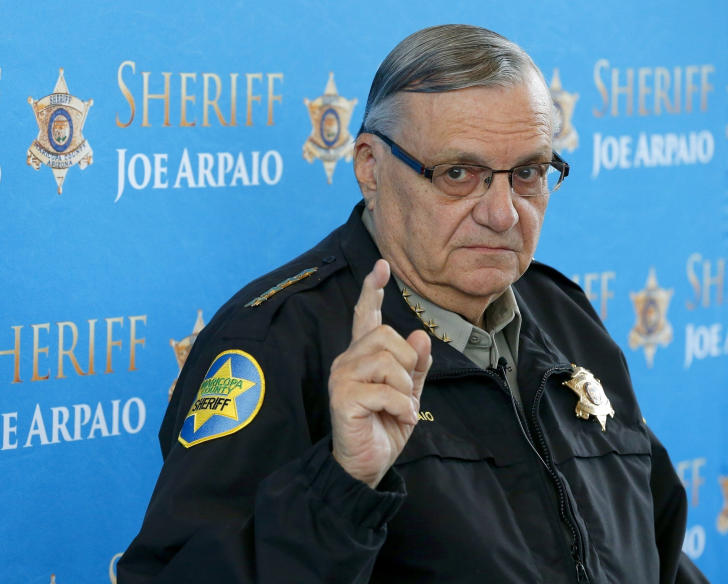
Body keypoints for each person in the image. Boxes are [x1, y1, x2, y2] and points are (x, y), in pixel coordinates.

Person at [118, 24, 708, 583]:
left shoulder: (566, 316)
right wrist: (342, 485)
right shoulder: (276, 342)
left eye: (527, 173)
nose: (503, 213)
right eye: (458, 172)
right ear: (370, 168)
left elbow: (655, 552)